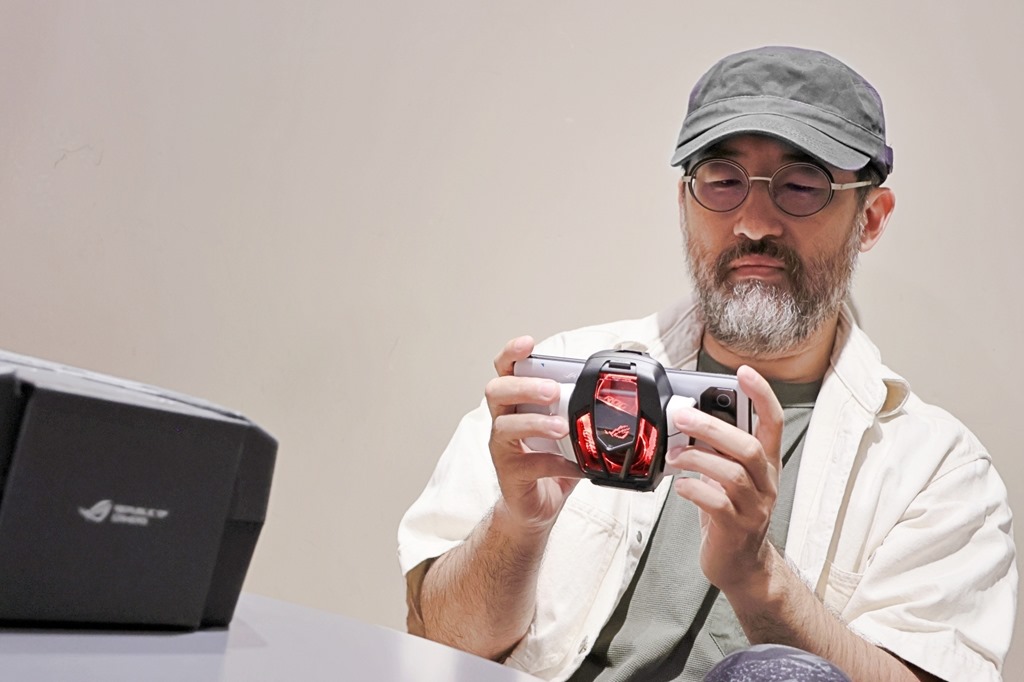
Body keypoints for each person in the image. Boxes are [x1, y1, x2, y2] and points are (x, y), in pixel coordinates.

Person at [397, 46, 1017, 682]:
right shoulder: (560, 390)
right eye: (722, 181)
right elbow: (435, 641)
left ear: (871, 218)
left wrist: (756, 576)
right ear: (685, 202)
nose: (753, 224)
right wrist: (518, 525)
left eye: (801, 186)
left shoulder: (937, 472)